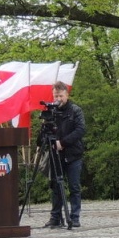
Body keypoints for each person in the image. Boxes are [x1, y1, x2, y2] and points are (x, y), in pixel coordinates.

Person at [44, 81, 86, 228]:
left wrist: (63, 142)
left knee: (74, 187)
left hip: (73, 154)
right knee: (55, 186)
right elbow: (44, 133)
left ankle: (75, 217)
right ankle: (56, 217)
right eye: (56, 95)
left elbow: (80, 130)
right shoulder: (51, 112)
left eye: (61, 96)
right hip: (56, 155)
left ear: (66, 95)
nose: (58, 99)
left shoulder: (75, 110)